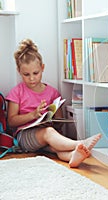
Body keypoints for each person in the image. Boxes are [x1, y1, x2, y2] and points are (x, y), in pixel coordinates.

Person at [6, 39, 101, 168]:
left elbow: (59, 122)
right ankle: (80, 143)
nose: (32, 78)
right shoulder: (17, 92)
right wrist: (33, 115)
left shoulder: (52, 92)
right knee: (48, 132)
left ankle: (73, 156)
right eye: (26, 74)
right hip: (25, 136)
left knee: (55, 146)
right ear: (19, 71)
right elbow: (11, 121)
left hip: (47, 133)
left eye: (35, 73)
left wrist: (53, 117)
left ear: (42, 68)